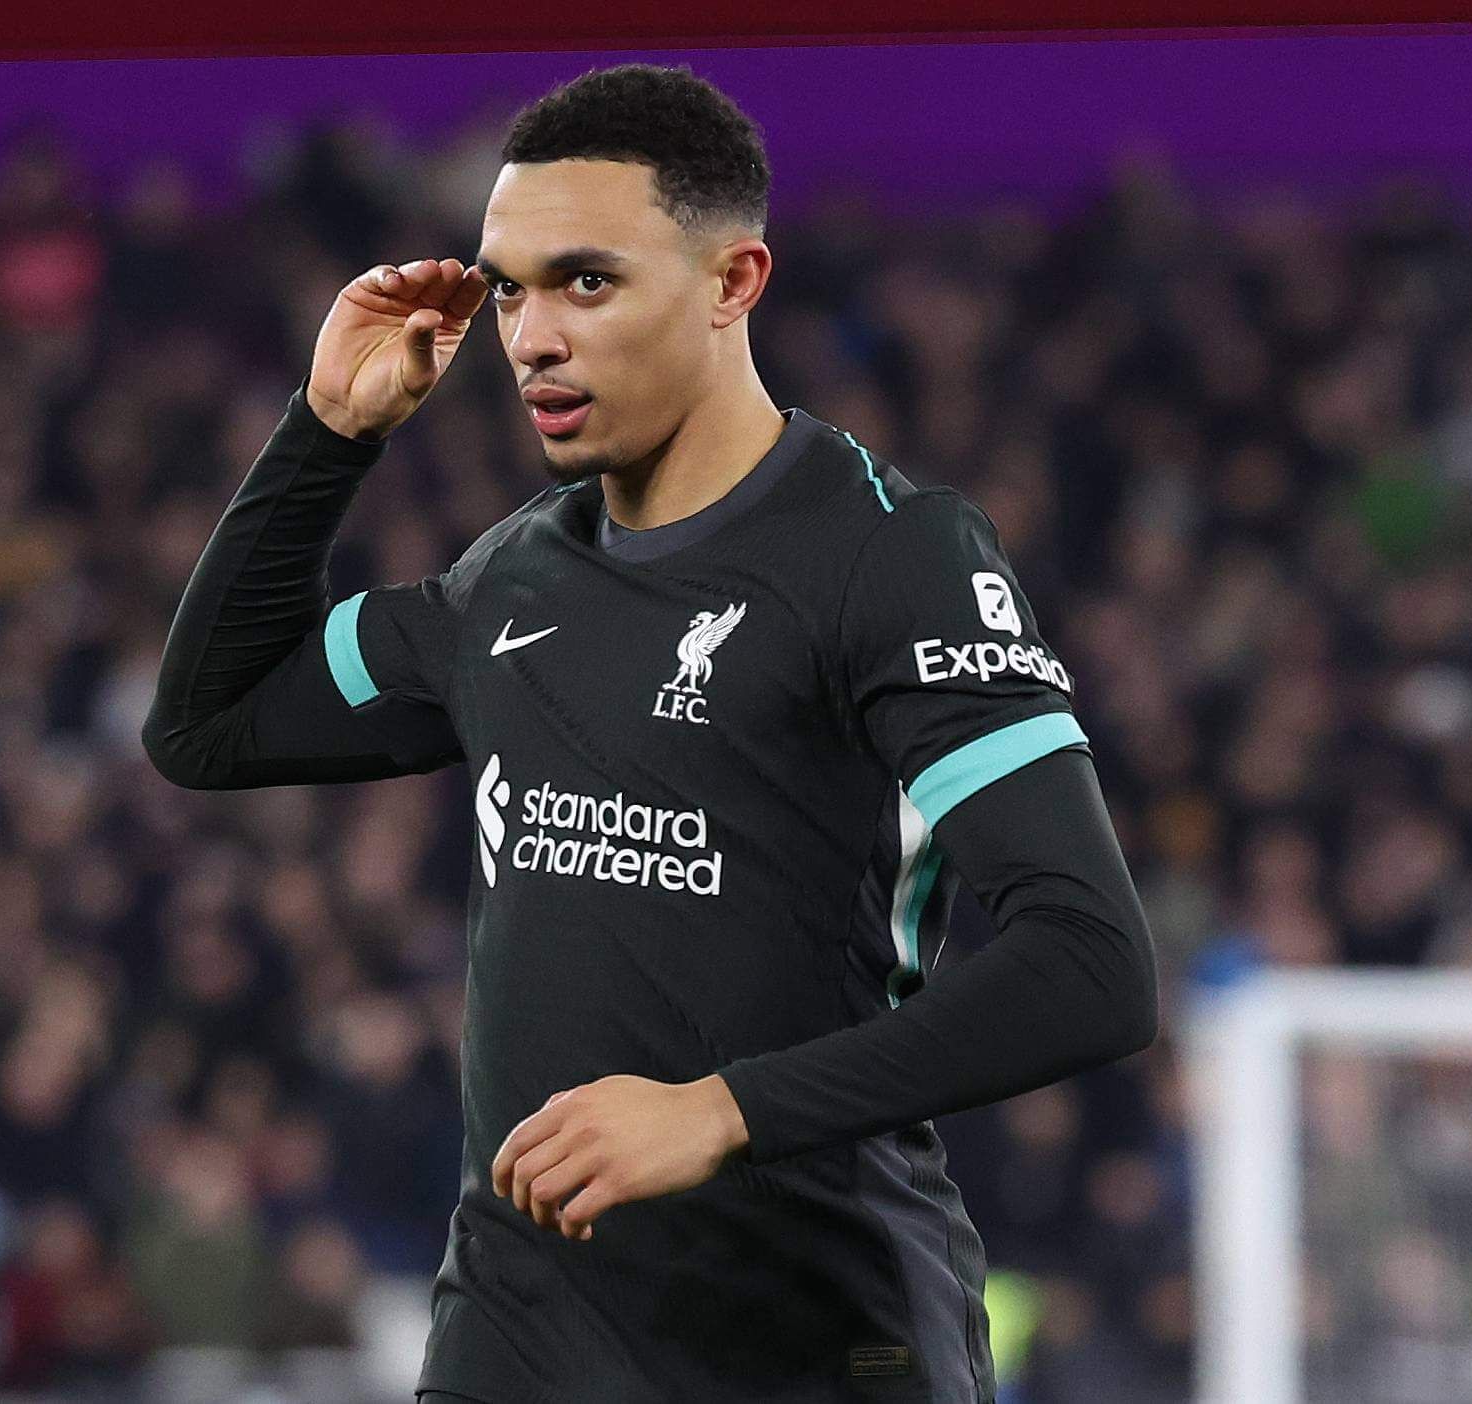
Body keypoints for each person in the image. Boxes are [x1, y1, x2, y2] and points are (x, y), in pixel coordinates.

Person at [143, 62, 1157, 1404]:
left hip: (813, 1336)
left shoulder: (890, 558)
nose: (530, 337)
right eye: (508, 288)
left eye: (587, 281)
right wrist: (328, 432)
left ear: (735, 282)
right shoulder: (509, 579)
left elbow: (1090, 966)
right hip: (520, 1333)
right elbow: (206, 724)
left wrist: (719, 1112)